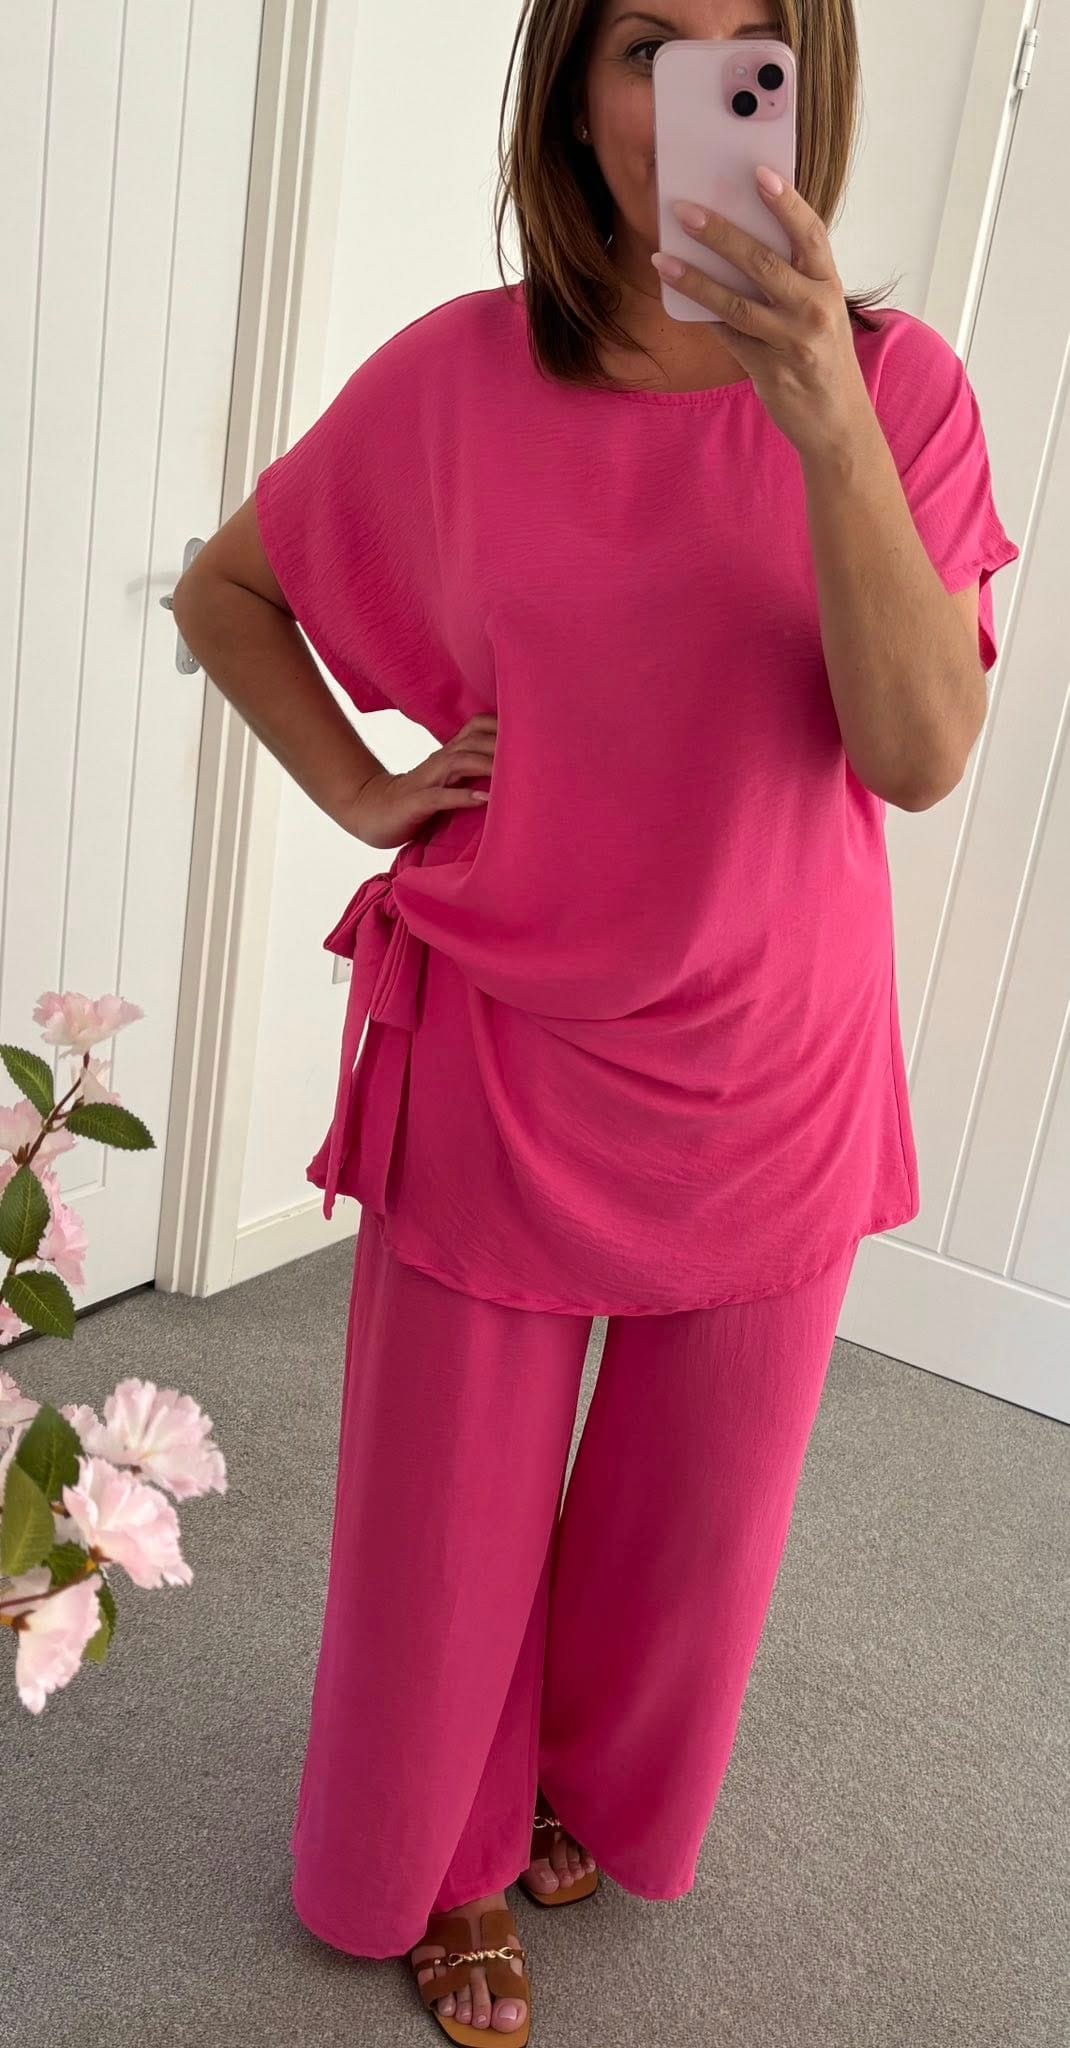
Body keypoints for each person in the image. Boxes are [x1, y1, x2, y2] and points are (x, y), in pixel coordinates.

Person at [173, 1, 1020, 2038]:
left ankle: (583, 1786)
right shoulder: (461, 377)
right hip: (505, 1036)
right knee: (445, 1525)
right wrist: (366, 791)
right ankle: (442, 1859)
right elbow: (228, 590)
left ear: (807, 82)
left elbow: (917, 757)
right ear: (570, 86)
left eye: (752, 46)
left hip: (773, 1054)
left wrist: (821, 420)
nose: (696, 93)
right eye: (646, 43)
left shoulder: (901, 389)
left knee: (692, 1524)